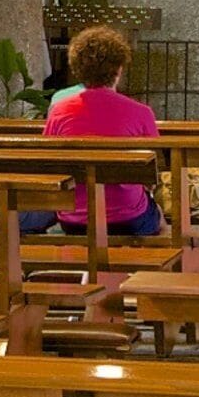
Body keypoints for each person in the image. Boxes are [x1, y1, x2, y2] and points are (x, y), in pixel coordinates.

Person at [36, 24, 166, 239]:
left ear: (77, 69)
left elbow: (49, 161)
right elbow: (152, 173)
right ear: (119, 69)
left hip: (73, 217)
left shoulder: (59, 111)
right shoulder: (141, 112)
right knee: (160, 222)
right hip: (128, 217)